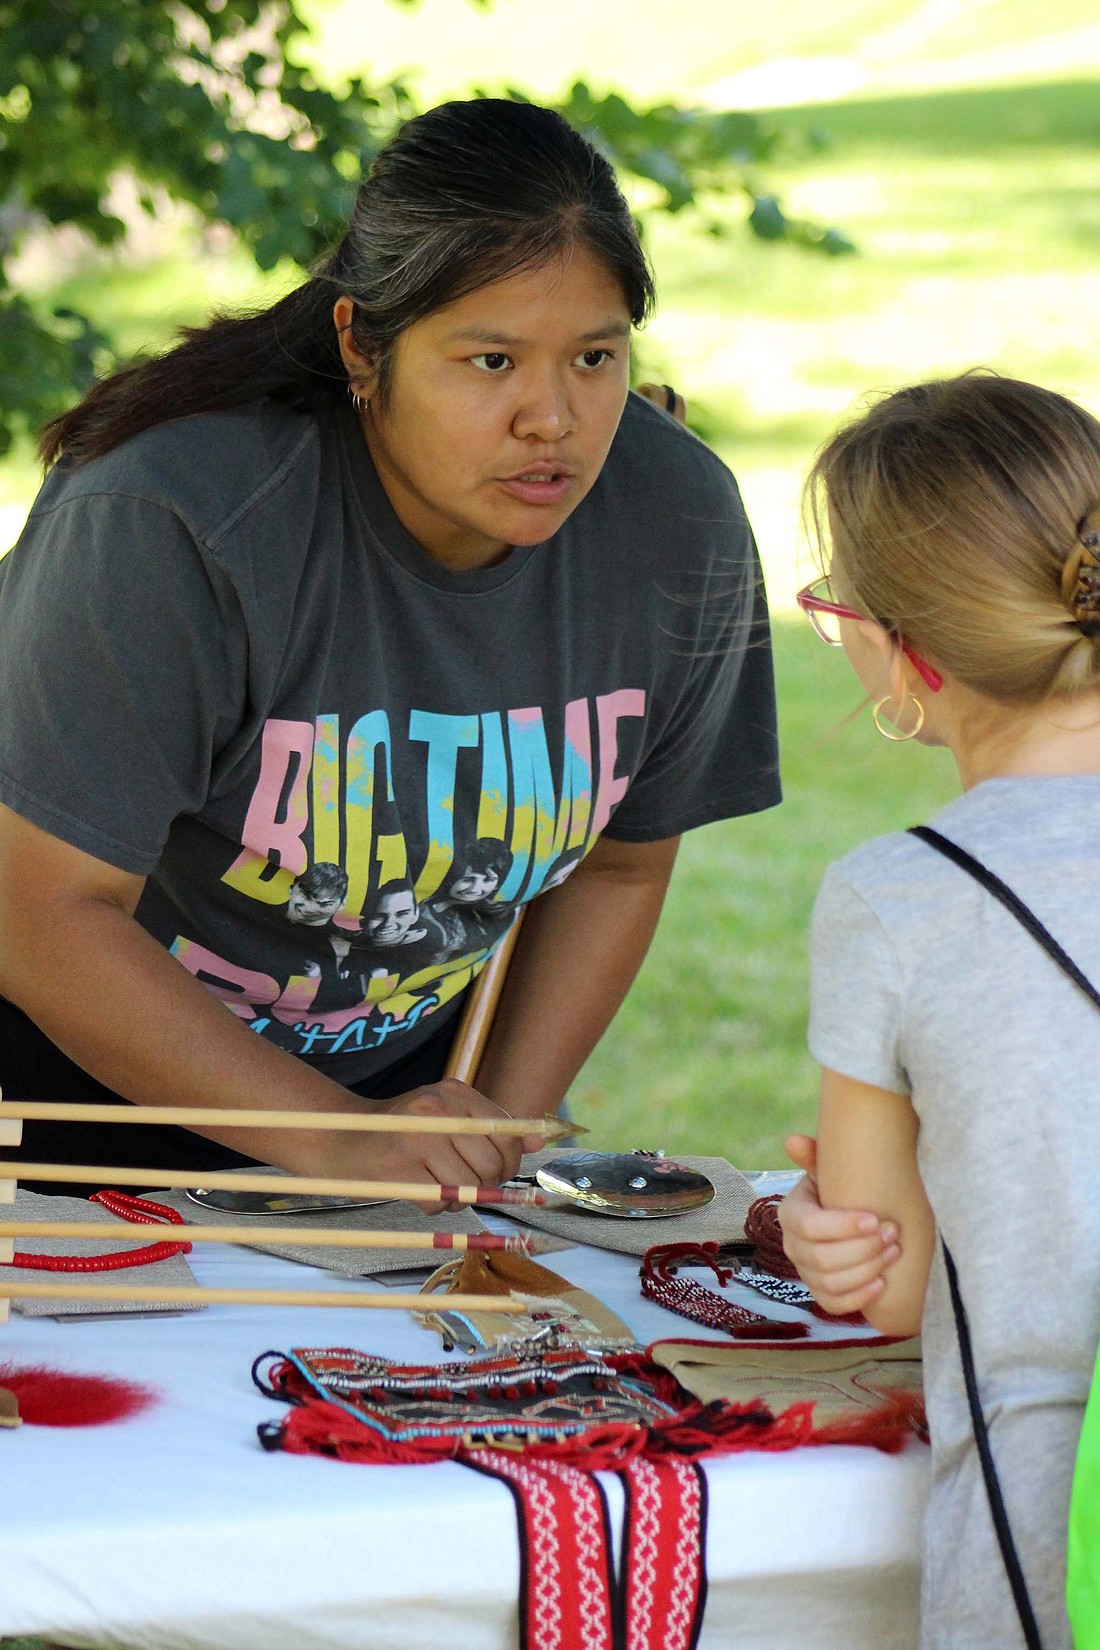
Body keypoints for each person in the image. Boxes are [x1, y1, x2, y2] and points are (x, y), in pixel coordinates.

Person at [0, 97, 779, 1200]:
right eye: (491, 361)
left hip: (387, 1109)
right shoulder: (171, 520)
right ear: (363, 348)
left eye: (594, 357)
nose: (551, 418)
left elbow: (619, 865)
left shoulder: (674, 518)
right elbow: (40, 918)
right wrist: (338, 1140)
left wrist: (484, 1134)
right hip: (64, 1115)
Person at [778, 372, 1100, 1649]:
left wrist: (821, 1234)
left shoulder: (895, 900)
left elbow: (890, 1285)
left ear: (901, 655)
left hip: (1049, 1534)